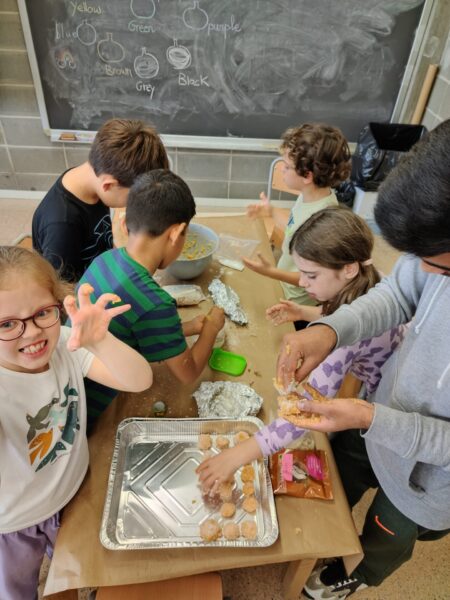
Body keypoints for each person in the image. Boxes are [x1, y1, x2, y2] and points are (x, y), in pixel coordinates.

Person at [273, 119, 450, 599]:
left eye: (435, 263)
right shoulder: (432, 254)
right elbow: (397, 293)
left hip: (426, 479)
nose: (422, 270)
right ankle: (327, 534)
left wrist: (370, 417)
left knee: (385, 536)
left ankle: (348, 576)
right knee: (343, 476)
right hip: (376, 414)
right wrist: (330, 329)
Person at [196, 206, 405, 490]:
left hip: (387, 406)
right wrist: (307, 312)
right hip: (384, 371)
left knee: (348, 469)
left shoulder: (348, 343)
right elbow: (343, 314)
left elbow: (304, 411)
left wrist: (239, 454)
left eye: (311, 275)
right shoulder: (368, 276)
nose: (302, 283)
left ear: (349, 268)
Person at [0, 246, 152, 599]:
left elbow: (139, 380)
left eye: (43, 313)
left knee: (69, 576)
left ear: (59, 304)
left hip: (72, 495)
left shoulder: (66, 345)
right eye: (7, 324)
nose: (31, 333)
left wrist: (101, 343)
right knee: (16, 591)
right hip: (13, 524)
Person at [78, 169, 225, 429]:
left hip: (74, 382)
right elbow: (188, 372)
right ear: (176, 233)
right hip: (87, 412)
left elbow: (130, 328)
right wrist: (212, 328)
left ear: (125, 222)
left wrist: (187, 328)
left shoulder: (104, 260)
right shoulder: (155, 302)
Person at [32, 118, 169, 282]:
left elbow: (102, 240)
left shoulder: (95, 182)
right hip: (83, 293)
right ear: (109, 185)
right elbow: (61, 291)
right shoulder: (62, 225)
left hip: (102, 275)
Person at [244, 123, 351, 328]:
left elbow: (310, 277)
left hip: (297, 306)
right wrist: (272, 211)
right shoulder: (310, 196)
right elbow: (296, 230)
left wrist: (270, 271)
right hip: (284, 287)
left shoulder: (323, 220)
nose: (281, 170)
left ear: (307, 176)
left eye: (286, 167)